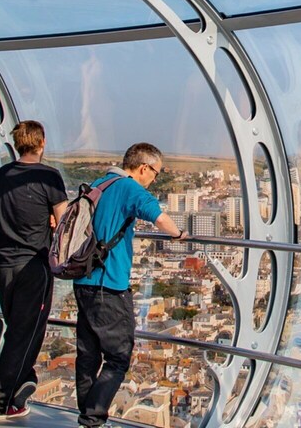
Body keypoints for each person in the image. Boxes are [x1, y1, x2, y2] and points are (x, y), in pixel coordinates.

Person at [73, 142, 188, 427]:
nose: (154, 179)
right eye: (156, 173)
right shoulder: (130, 188)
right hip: (109, 284)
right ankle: (93, 417)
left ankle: (87, 415)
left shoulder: (102, 182)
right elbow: (159, 218)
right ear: (144, 167)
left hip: (83, 278)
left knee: (87, 354)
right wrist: (179, 234)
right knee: (118, 357)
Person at [0, 121, 69, 420]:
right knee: (25, 334)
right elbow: (64, 222)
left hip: (5, 263)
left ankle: (21, 385)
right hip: (34, 263)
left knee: (16, 331)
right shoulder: (49, 176)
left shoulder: (4, 174)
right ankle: (0, 400)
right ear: (42, 142)